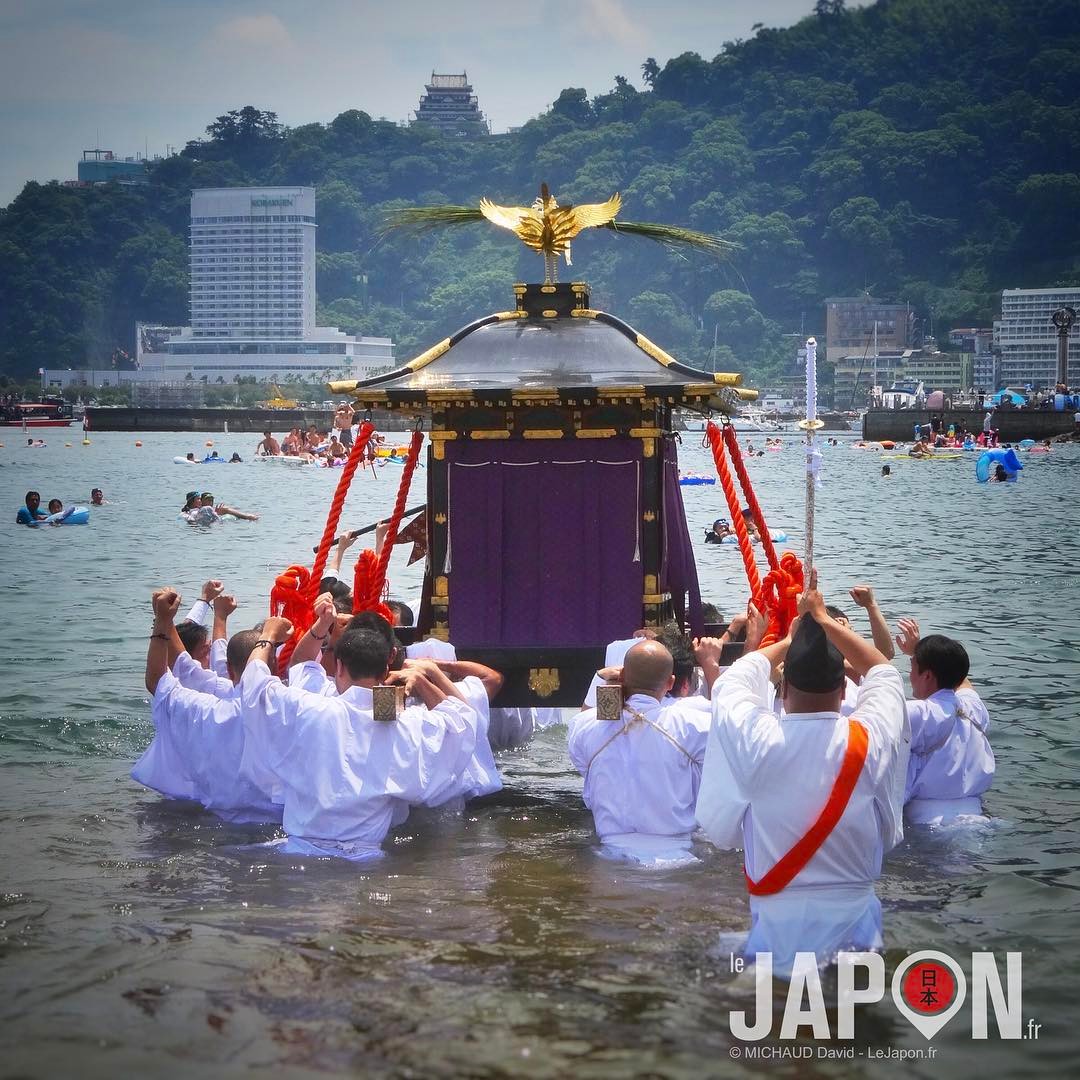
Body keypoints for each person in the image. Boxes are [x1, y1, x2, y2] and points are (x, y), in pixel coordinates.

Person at [696, 570, 908, 976]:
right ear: (844, 691)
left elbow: (735, 681)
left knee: (775, 1019)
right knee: (854, 1026)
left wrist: (791, 640)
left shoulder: (757, 737)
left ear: (785, 687)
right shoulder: (868, 738)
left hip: (778, 919)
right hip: (855, 919)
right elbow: (884, 673)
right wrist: (823, 620)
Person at [238, 616, 480, 860]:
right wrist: (424, 679)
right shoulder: (408, 723)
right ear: (387, 668)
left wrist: (267, 636)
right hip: (365, 859)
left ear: (339, 666)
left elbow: (255, 686)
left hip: (299, 853)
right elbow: (463, 722)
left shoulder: (307, 707)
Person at [132, 588, 280, 823]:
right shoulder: (296, 707)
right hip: (276, 828)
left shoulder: (208, 711)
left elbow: (159, 681)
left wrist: (162, 621)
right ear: (278, 669)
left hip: (213, 822)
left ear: (229, 671)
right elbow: (187, 667)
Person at [568, 640, 712, 867]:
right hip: (678, 858)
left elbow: (584, 754)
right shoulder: (693, 723)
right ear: (670, 682)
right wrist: (711, 665)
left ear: (622, 676)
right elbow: (729, 726)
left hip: (610, 856)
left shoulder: (586, 726)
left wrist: (610, 688)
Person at [893, 618, 994, 824]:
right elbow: (959, 676)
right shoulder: (973, 708)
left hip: (928, 825)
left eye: (913, 667)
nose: (910, 675)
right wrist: (920, 652)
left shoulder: (916, 714)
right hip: (978, 818)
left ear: (928, 675)